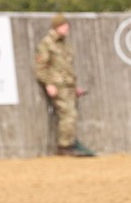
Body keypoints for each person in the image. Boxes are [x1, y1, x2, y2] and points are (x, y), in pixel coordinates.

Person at [34, 13, 95, 157]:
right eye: (63, 25)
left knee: (71, 115)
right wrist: (49, 84)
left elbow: (67, 67)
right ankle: (65, 146)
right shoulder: (47, 44)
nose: (67, 27)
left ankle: (69, 142)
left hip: (68, 85)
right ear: (56, 27)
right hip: (58, 86)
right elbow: (41, 67)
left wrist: (75, 86)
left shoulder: (65, 44)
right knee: (68, 115)